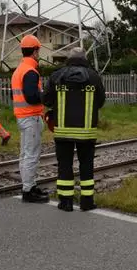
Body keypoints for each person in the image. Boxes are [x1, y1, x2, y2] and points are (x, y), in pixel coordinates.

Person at [42, 47, 106, 212]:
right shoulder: (94, 77)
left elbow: (46, 99)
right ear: (85, 58)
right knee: (86, 165)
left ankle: (66, 202)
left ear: (68, 59)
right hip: (87, 132)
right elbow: (100, 101)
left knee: (64, 165)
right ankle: (86, 202)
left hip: (63, 131)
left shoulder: (57, 76)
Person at [11, 35, 49, 203]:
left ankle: (30, 185)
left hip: (23, 117)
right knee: (31, 155)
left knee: (25, 154)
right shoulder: (30, 71)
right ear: (35, 51)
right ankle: (28, 190)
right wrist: (46, 96)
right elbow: (32, 97)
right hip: (30, 117)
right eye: (38, 51)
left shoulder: (20, 69)